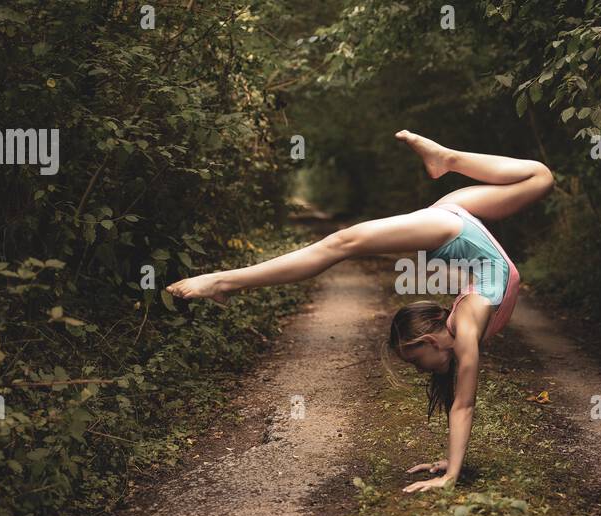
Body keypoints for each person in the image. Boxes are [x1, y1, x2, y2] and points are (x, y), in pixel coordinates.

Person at [166, 131, 553, 492]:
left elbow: (462, 404)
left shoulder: (465, 325)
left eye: (417, 362)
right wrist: (451, 469)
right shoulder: (466, 327)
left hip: (455, 225)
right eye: (418, 363)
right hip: (457, 226)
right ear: (430, 338)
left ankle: (224, 282)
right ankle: (446, 158)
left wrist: (452, 470)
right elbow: (462, 403)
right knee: (539, 178)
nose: (422, 370)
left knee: (343, 242)